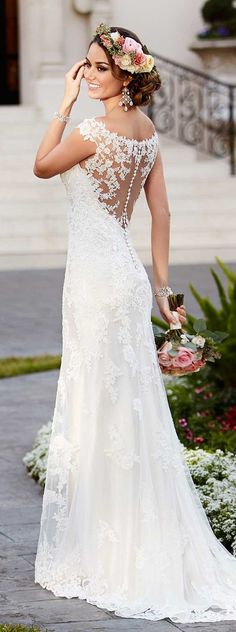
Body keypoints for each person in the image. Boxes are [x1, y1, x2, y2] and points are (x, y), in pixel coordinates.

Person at [33, 24, 236, 623]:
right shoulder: (146, 134)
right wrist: (163, 287)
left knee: (100, 407)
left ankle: (108, 548)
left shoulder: (91, 132)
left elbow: (43, 166)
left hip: (97, 286)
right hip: (121, 281)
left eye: (99, 68)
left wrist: (64, 105)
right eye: (87, 66)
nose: (89, 74)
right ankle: (122, 535)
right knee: (126, 409)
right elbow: (161, 210)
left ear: (126, 76)